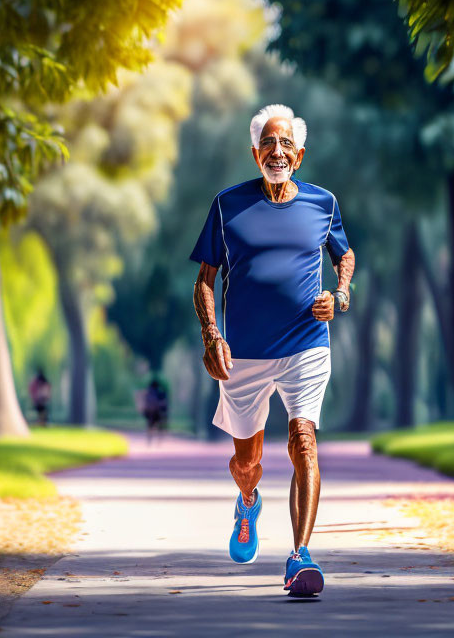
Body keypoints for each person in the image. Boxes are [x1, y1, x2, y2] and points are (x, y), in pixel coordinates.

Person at [190, 104, 355, 597]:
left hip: (306, 344)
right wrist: (212, 336)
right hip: (244, 354)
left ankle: (301, 555)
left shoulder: (323, 204)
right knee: (248, 462)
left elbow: (343, 255)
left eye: (286, 145)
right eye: (268, 143)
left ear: (299, 156)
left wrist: (339, 296)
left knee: (304, 439)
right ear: (254, 152)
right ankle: (247, 500)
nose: (276, 152)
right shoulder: (227, 205)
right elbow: (203, 280)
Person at [141, 373, 170, 444]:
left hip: (149, 412)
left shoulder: (148, 392)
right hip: (157, 411)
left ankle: (149, 438)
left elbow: (144, 401)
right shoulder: (160, 392)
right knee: (159, 424)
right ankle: (159, 439)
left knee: (150, 425)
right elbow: (163, 403)